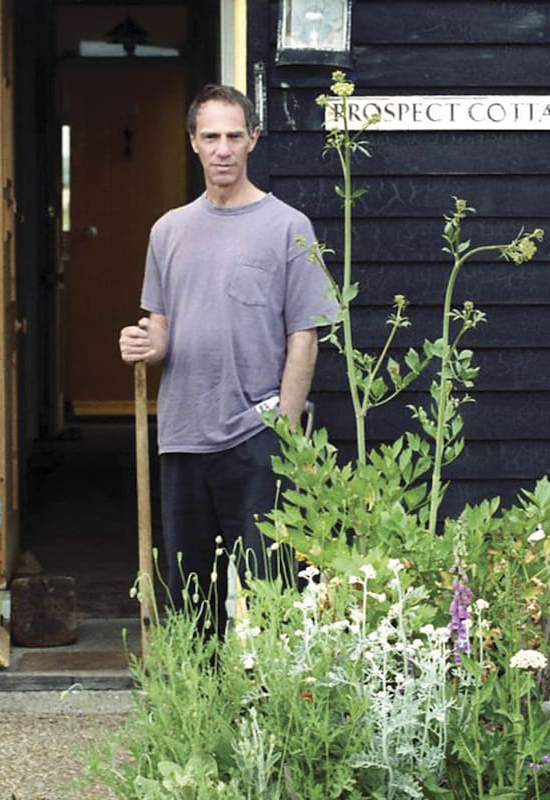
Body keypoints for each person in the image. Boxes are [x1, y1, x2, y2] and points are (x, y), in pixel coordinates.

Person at [118, 84, 333, 630]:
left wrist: (285, 429)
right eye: (210, 136)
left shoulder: (288, 226)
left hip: (257, 433)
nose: (222, 149)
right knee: (192, 599)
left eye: (234, 136)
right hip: (184, 435)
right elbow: (162, 325)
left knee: (273, 594)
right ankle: (200, 689)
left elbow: (305, 334)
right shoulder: (168, 230)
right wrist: (146, 344)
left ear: (253, 139)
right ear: (192, 141)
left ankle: (273, 689)